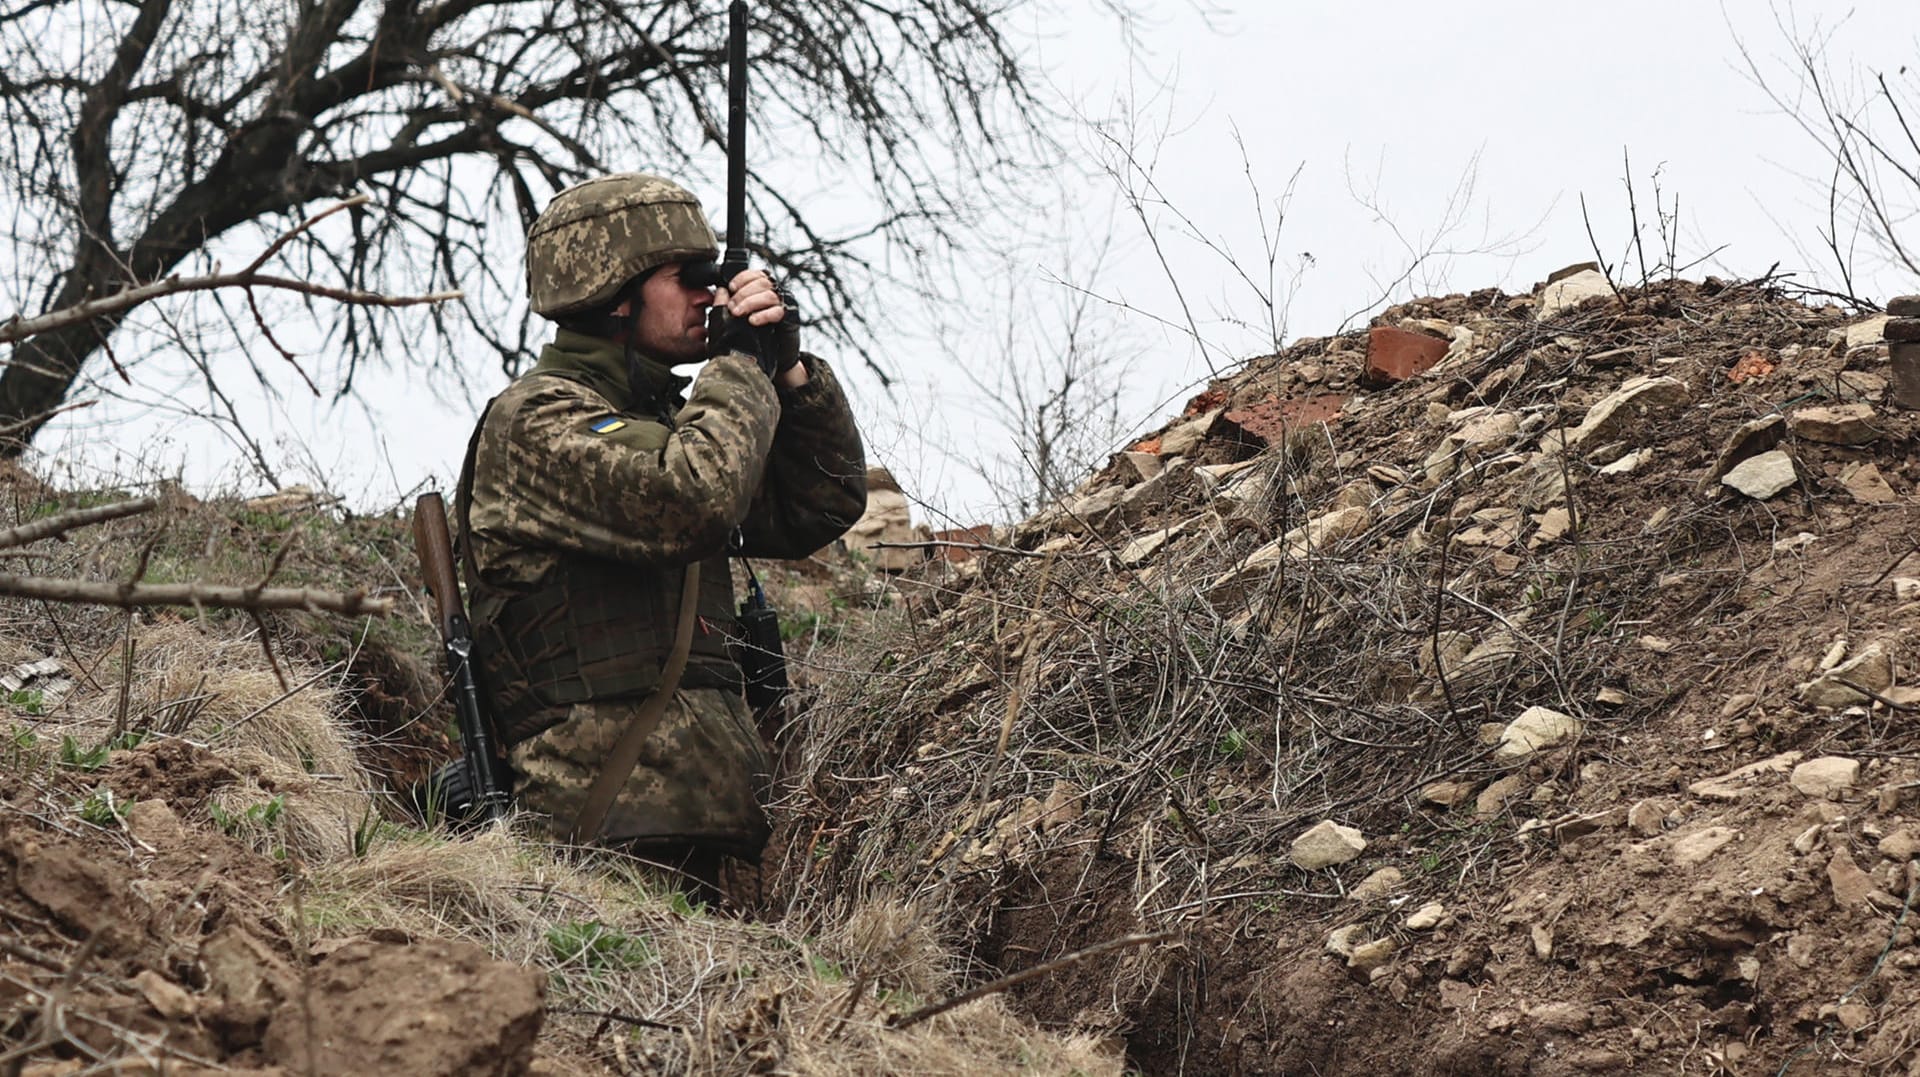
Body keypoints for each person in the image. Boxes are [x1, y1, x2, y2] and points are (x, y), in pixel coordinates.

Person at [455, 172, 867, 894]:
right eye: (689, 278)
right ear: (615, 293)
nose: (710, 295)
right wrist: (740, 366)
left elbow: (822, 504)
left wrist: (790, 372)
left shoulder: (672, 425)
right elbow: (693, 497)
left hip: (700, 827)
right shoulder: (536, 423)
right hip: (591, 840)